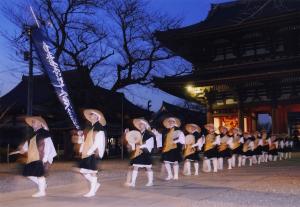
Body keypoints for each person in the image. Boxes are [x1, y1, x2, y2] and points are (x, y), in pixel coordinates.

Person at [16, 116, 56, 197]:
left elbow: (48, 145)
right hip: (33, 157)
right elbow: (28, 145)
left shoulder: (44, 133)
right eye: (32, 122)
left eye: (34, 121)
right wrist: (22, 149)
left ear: (40, 124)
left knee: (39, 174)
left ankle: (42, 191)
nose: (33, 123)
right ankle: (43, 184)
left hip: (41, 157)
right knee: (28, 173)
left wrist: (45, 158)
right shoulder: (33, 135)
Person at [77, 109, 106, 197]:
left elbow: (98, 142)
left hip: (93, 153)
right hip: (87, 152)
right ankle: (96, 184)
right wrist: (81, 136)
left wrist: (91, 151)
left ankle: (92, 191)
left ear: (97, 117)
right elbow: (83, 142)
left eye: (93, 115)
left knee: (93, 171)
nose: (91, 116)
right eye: (90, 115)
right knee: (83, 171)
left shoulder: (99, 128)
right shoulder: (90, 128)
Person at [125, 118, 155, 187]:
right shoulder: (137, 133)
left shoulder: (149, 134)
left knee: (148, 167)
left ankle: (150, 182)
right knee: (135, 166)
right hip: (138, 152)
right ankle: (133, 182)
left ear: (145, 125)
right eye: (140, 124)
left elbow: (150, 144)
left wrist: (141, 145)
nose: (140, 125)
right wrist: (128, 135)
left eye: (142, 124)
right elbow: (133, 142)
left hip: (145, 152)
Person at [160, 116, 185, 180]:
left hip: (174, 148)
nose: (171, 122)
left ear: (175, 122)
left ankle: (176, 175)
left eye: (172, 121)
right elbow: (162, 139)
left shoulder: (178, 130)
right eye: (169, 121)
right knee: (166, 161)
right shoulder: (166, 131)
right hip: (166, 148)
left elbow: (182, 140)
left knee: (175, 162)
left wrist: (175, 141)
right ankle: (170, 175)